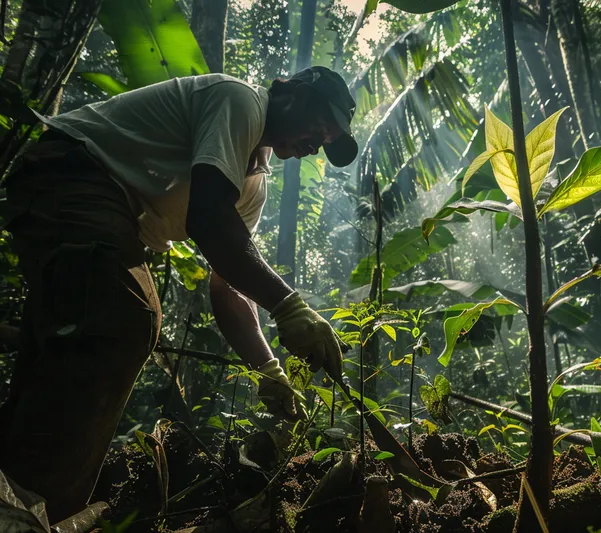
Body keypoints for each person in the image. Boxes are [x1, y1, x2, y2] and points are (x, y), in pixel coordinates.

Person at [0, 66, 357, 522]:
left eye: (326, 140)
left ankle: (17, 489)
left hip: (99, 209)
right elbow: (209, 220)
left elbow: (227, 282)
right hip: (72, 174)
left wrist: (268, 368)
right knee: (123, 320)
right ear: (287, 91)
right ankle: (32, 513)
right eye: (320, 122)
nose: (318, 141)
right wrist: (289, 305)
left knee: (64, 349)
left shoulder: (253, 184)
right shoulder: (240, 100)